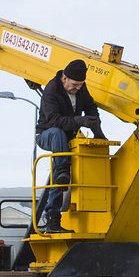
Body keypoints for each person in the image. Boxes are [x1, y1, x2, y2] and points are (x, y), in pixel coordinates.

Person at [33, 58, 105, 234]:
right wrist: (79, 121)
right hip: (46, 135)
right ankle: (63, 172)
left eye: (80, 85)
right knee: (58, 142)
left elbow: (91, 107)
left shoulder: (81, 89)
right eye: (74, 85)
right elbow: (54, 120)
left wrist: (97, 130)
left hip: (67, 139)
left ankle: (53, 221)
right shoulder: (51, 90)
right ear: (64, 78)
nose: (77, 88)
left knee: (59, 168)